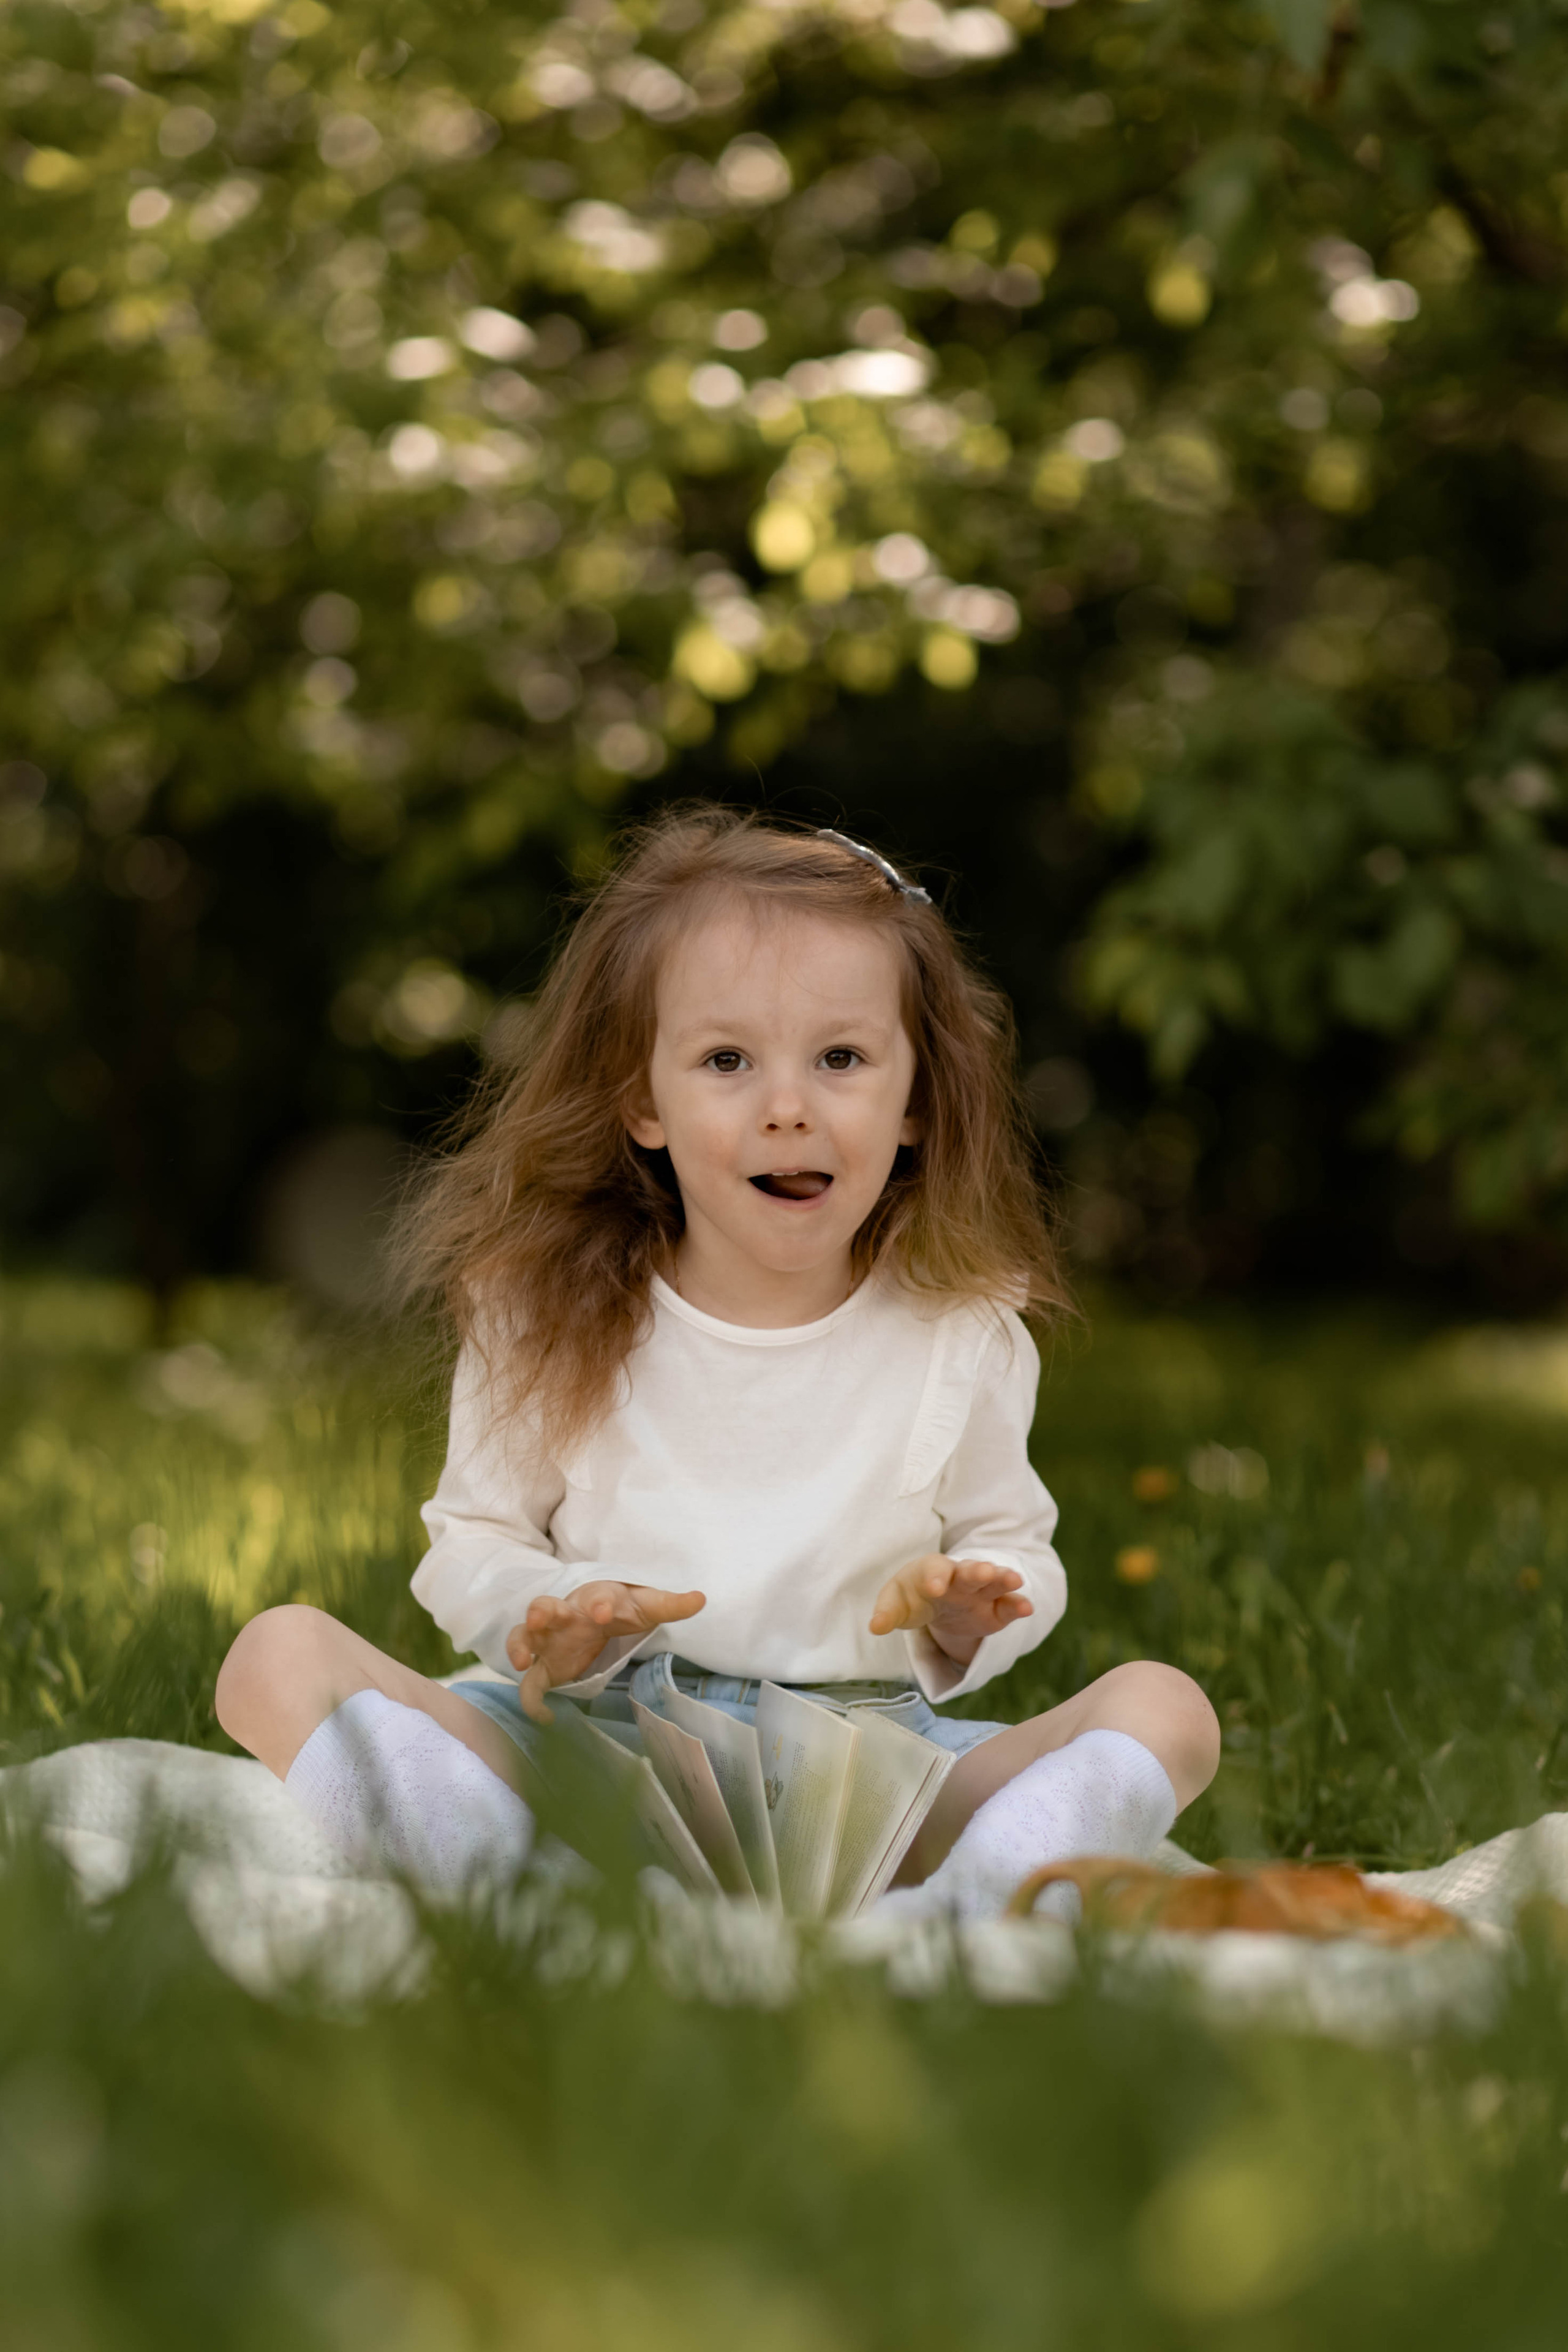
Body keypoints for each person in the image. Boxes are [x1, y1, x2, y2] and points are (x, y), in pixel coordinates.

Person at [216, 811, 1219, 1915]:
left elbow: (1009, 1545)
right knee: (275, 1656)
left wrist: (970, 1609)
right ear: (643, 1101)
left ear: (918, 1099)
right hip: (596, 1751)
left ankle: (966, 1916)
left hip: (870, 1776)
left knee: (1167, 1711)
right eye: (727, 1060)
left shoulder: (963, 1329)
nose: (788, 1108)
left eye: (841, 1058)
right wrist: (548, 1615)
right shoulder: (540, 1311)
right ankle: (508, 1896)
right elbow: (476, 1542)